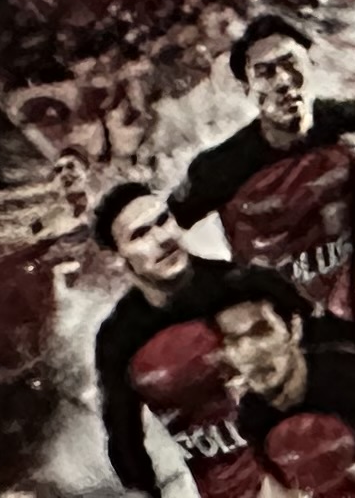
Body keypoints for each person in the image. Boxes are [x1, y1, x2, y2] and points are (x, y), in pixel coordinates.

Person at [172, 16, 355, 318]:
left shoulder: (351, 120)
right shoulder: (219, 168)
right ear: (247, 89)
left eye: (290, 64)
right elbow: (176, 236)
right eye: (264, 72)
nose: (282, 81)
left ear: (311, 65)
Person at [88, 184, 242, 497]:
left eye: (163, 220)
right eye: (140, 234)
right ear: (118, 258)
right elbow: (125, 440)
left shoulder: (239, 284)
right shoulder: (119, 337)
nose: (162, 238)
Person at [209, 266, 355, 496]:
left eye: (262, 331)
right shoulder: (247, 419)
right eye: (234, 340)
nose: (251, 352)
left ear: (294, 328)